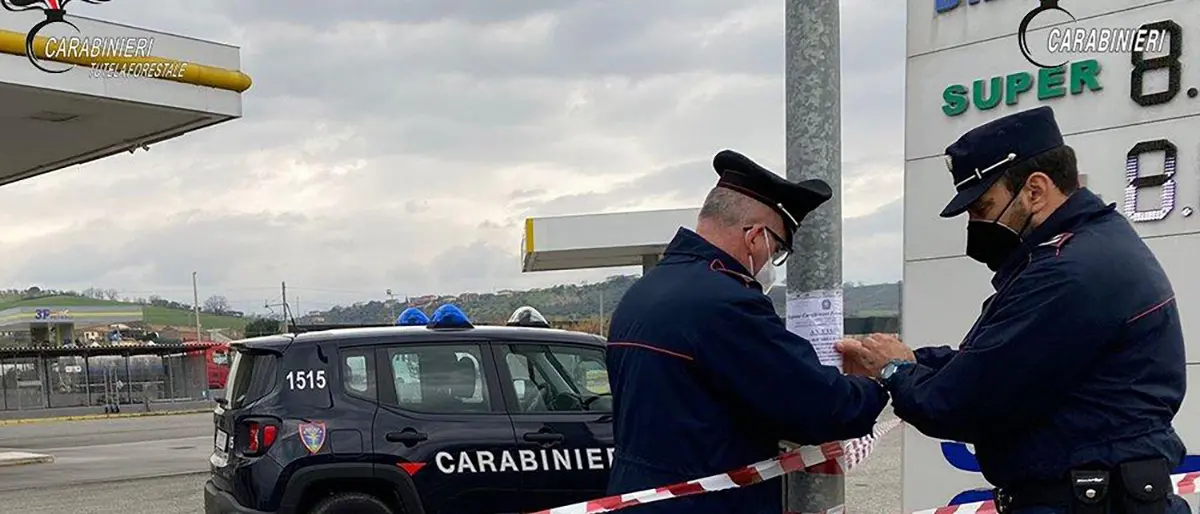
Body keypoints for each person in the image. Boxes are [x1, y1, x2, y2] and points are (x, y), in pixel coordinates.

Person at [836, 106, 1188, 514]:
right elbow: (1003, 364)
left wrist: (896, 372)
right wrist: (914, 360)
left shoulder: (1070, 273)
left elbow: (959, 405)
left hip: (1085, 502)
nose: (976, 225)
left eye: (983, 208)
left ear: (1035, 190)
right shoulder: (1092, 249)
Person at [605, 149, 890, 514]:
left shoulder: (644, 291)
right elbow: (820, 409)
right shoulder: (728, 303)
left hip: (637, 497)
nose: (772, 264)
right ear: (756, 237)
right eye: (778, 250)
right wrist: (878, 379)